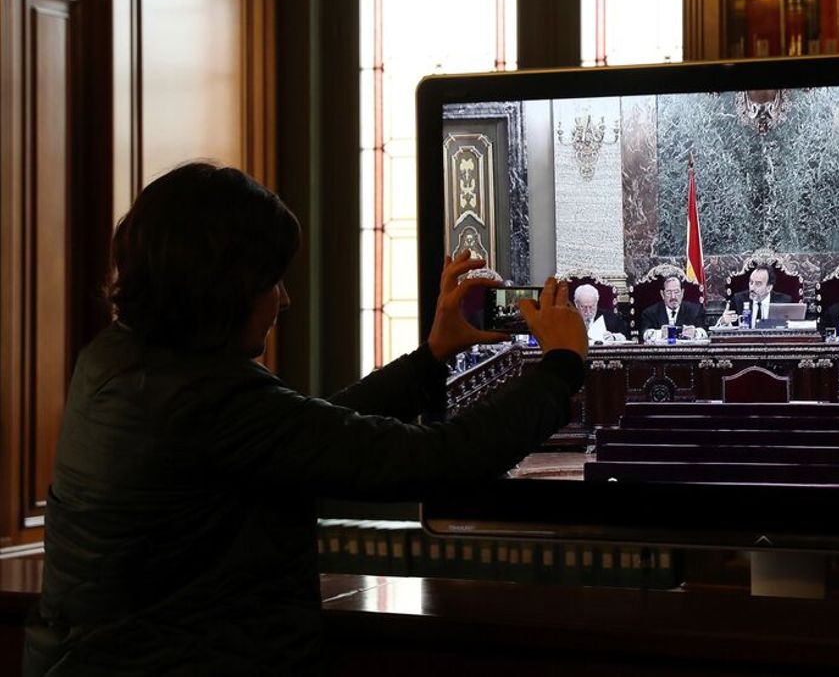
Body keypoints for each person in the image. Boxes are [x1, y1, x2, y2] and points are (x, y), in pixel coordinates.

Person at [24, 162, 588, 675]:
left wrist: (431, 357)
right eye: (271, 280)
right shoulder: (206, 399)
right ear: (226, 286)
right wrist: (561, 366)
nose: (285, 299)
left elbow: (310, 433)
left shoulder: (117, 362)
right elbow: (436, 459)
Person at [718, 265, 793, 326]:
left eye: (758, 284)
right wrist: (723, 321)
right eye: (751, 282)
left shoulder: (784, 302)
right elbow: (724, 327)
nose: (752, 287)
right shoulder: (738, 300)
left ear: (769, 288)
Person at [637, 275, 706, 340]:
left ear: (682, 293)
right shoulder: (650, 313)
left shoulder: (695, 310)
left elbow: (704, 333)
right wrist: (660, 333)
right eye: (669, 292)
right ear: (662, 294)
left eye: (676, 292)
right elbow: (644, 334)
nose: (673, 297)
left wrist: (695, 333)